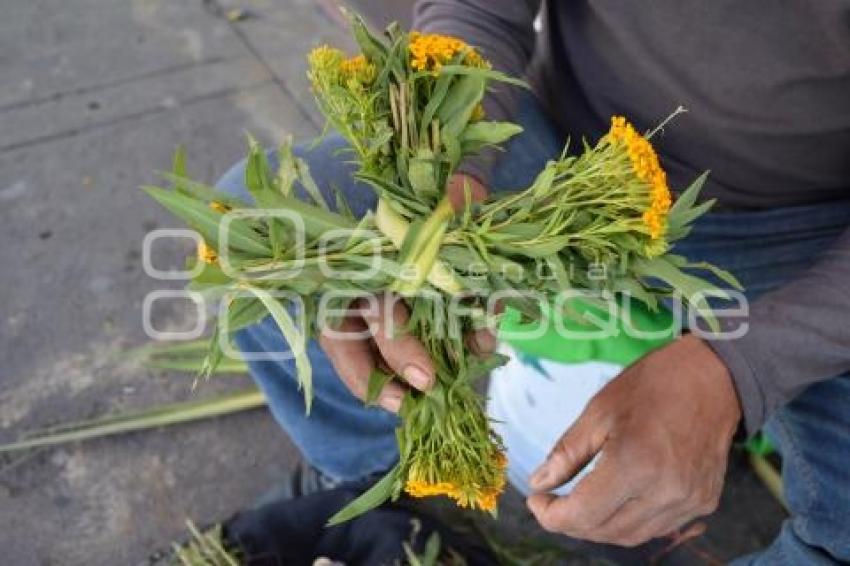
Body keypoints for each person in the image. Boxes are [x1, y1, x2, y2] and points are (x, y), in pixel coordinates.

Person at [216, 1, 850, 563]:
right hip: (565, 141)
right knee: (263, 231)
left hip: (806, 229)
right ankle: (384, 480)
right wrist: (441, 182)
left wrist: (741, 370)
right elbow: (480, 10)